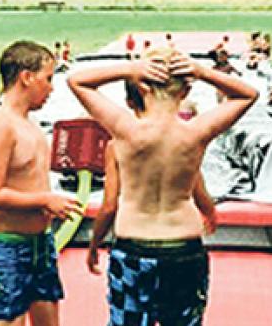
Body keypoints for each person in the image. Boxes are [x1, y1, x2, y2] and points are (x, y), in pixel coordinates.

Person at [67, 48, 257, 326]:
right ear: (186, 90)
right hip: (184, 248)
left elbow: (77, 81)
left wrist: (129, 69)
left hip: (133, 245)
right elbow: (247, 94)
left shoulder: (125, 129)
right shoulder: (196, 132)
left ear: (142, 86)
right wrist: (204, 71)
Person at [0, 41, 82, 325]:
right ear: (26, 77)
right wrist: (45, 200)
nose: (51, 88)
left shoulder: (30, 126)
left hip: (40, 243)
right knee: (11, 320)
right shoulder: (1, 127)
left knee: (48, 317)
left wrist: (47, 201)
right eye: (48, 79)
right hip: (7, 246)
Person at [86, 81, 216, 276]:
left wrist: (95, 243)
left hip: (134, 240)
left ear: (129, 102)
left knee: (132, 305)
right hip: (183, 241)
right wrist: (210, 214)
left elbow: (109, 206)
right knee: (181, 306)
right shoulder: (187, 140)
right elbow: (199, 193)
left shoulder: (118, 146)